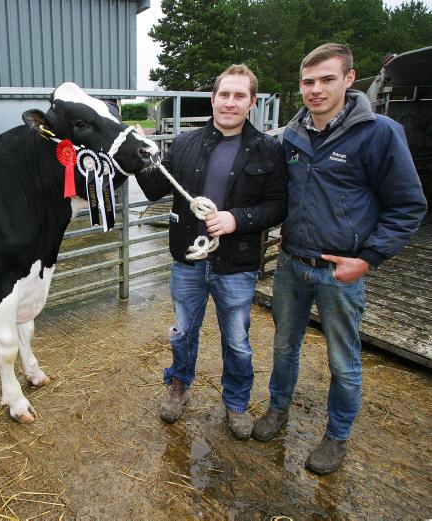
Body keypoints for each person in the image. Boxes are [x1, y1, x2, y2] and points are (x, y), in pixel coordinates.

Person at [252, 43, 427, 474]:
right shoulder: (290, 136)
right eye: (308, 82)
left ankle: (337, 435)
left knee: (342, 361)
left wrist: (367, 258)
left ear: (349, 80)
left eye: (327, 79)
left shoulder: (379, 132)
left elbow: (408, 206)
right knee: (283, 346)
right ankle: (278, 409)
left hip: (341, 271)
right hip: (292, 264)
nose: (316, 89)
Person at [135, 64, 287, 439]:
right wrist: (139, 154)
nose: (230, 103)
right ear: (213, 99)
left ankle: (236, 403)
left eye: (239, 96)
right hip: (188, 259)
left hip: (236, 264)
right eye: (224, 95)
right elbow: (155, 188)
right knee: (183, 331)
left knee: (237, 339)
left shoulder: (268, 150)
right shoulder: (185, 144)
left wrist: (237, 219)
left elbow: (278, 204)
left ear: (252, 102)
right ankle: (179, 386)